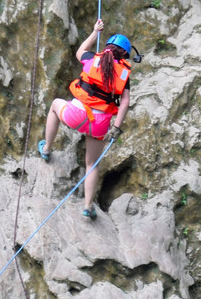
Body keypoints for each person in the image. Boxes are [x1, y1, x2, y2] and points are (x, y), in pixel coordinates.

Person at [38, 18, 132, 220]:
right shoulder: (124, 74)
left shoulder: (93, 58)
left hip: (76, 114)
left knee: (55, 105)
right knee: (92, 164)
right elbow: (125, 102)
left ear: (107, 47)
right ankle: (88, 207)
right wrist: (116, 128)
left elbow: (79, 51)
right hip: (99, 125)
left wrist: (95, 32)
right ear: (125, 54)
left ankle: (46, 150)